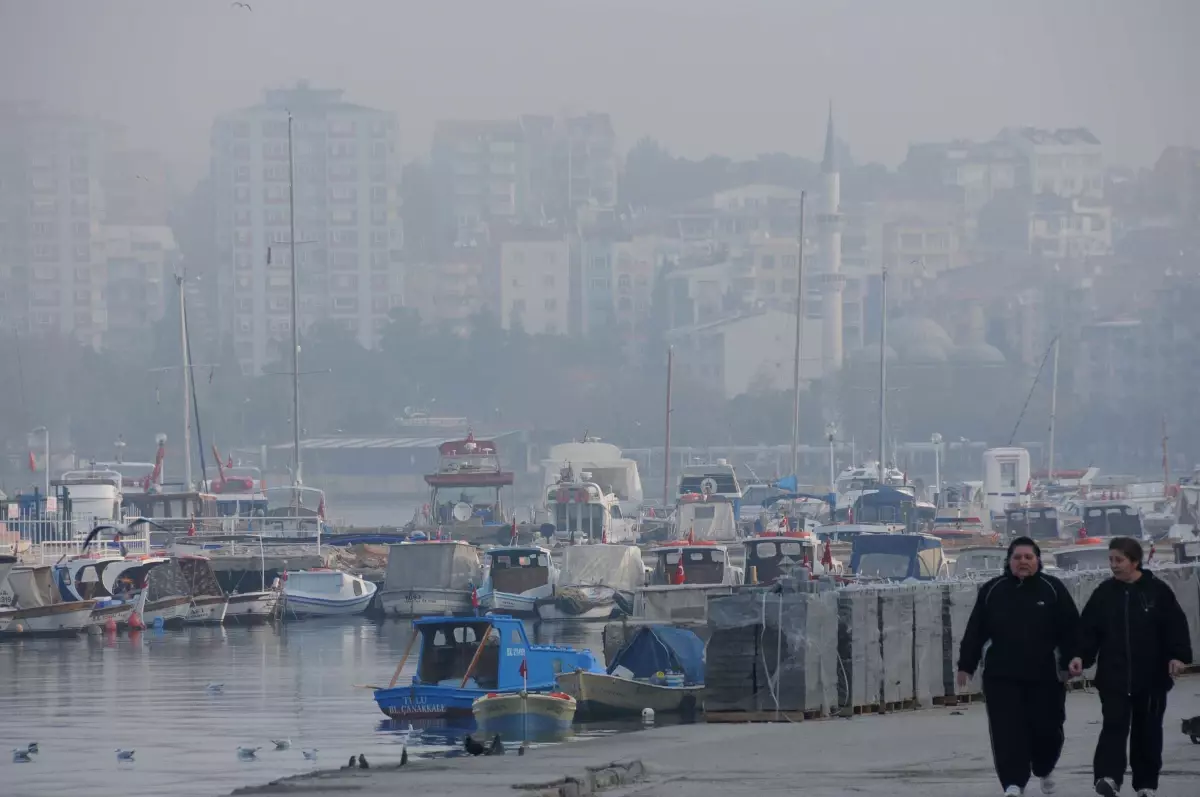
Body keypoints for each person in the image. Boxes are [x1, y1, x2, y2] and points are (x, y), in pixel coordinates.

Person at [1068, 537, 1192, 797]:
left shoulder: (1157, 591)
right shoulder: (1104, 593)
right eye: (1111, 559)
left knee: (1147, 731)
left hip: (1152, 678)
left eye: (1119, 560)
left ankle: (1145, 785)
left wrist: (1178, 656)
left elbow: (1175, 627)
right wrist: (1080, 656)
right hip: (1113, 677)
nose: (1113, 565)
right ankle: (1107, 778)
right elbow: (1088, 630)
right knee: (1114, 727)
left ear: (1135, 562)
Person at [957, 536, 1079, 797]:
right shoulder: (993, 590)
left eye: (1028, 557)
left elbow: (1071, 630)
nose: (1022, 562)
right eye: (1017, 557)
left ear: (1037, 560)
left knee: (1047, 729)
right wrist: (965, 665)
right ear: (1009, 561)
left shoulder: (1053, 589)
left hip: (1045, 676)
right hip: (1002, 676)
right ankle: (1013, 783)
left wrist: (1073, 659)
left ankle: (1045, 768)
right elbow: (975, 630)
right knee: (1006, 732)